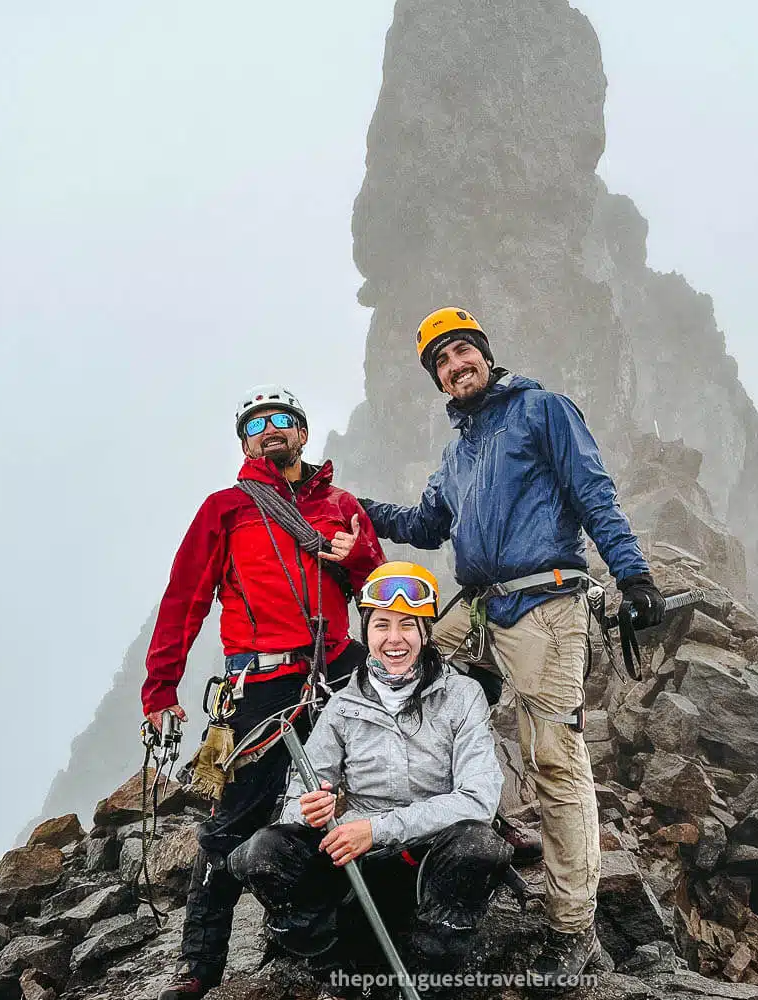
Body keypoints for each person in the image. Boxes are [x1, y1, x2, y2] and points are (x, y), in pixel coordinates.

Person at [359, 308, 666, 992]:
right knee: (408, 689)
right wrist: (354, 506)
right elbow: (426, 523)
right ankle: (468, 834)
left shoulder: (542, 409)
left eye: (462, 351)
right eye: (440, 361)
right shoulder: (459, 450)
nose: (454, 365)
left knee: (554, 759)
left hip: (546, 605)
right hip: (478, 609)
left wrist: (631, 572)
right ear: (436, 377)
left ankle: (572, 928)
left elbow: (593, 491)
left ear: (485, 355)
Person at [144, 384, 386, 1000]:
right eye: (255, 426)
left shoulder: (340, 505)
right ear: (246, 443)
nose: (269, 430)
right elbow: (184, 600)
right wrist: (160, 691)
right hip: (261, 682)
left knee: (377, 789)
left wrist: (356, 557)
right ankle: (199, 967)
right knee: (234, 822)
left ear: (302, 433)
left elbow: (380, 593)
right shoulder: (225, 509)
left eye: (282, 420)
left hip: (336, 666)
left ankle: (364, 932)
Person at [228, 561, 513, 979]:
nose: (394, 639)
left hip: (429, 859)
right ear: (366, 632)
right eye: (381, 625)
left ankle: (431, 966)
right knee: (263, 852)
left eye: (407, 626)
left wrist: (377, 830)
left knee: (478, 844)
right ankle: (330, 965)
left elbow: (478, 801)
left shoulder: (463, 696)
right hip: (355, 867)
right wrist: (308, 811)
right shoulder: (342, 706)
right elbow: (294, 804)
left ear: (425, 633)